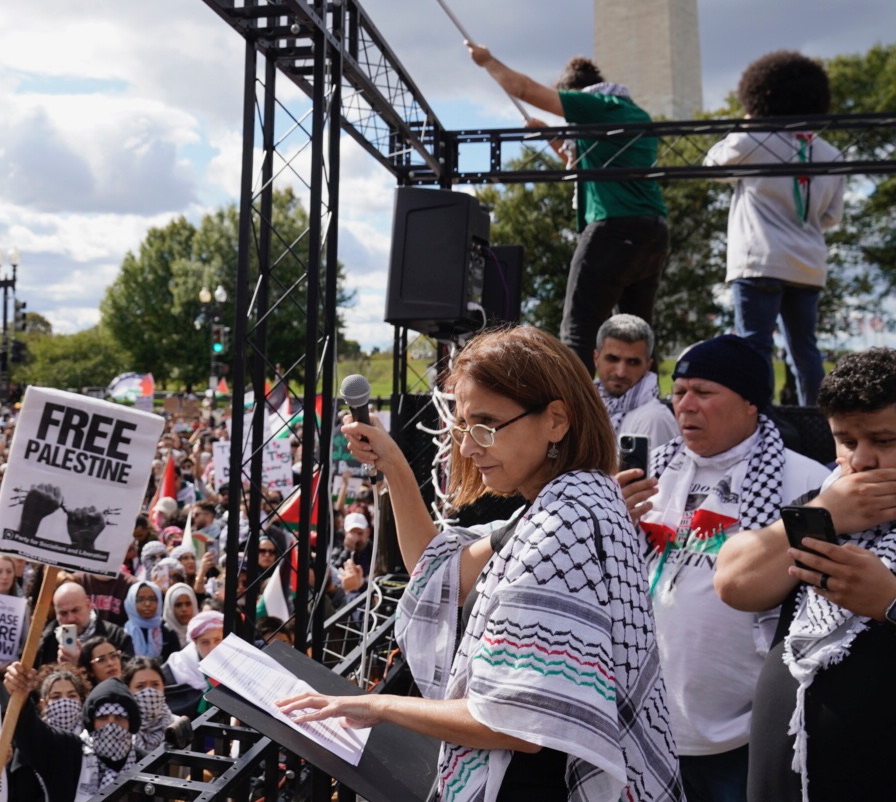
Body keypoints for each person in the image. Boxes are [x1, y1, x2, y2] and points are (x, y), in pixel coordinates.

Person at [279, 325, 680, 802]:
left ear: (556, 420)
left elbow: (516, 721)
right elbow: (441, 571)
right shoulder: (571, 501)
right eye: (464, 427)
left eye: (486, 426)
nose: (468, 448)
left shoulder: (561, 527)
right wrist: (392, 462)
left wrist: (376, 705)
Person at [624, 333, 826, 799]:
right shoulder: (649, 476)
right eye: (679, 392)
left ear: (751, 401)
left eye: (705, 392)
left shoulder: (808, 482)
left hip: (746, 736)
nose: (686, 405)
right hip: (643, 724)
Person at [714, 348, 896, 800]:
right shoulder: (825, 504)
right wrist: (825, 512)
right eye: (847, 442)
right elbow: (734, 581)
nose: (862, 460)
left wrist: (888, 602)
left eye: (885, 440)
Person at [467, 45, 668, 368]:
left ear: (576, 96)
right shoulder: (632, 115)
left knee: (578, 330)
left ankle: (572, 412)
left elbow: (525, 90)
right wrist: (550, 137)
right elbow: (581, 164)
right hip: (653, 232)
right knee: (636, 334)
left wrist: (487, 62)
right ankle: (647, 410)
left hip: (613, 227)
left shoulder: (597, 106)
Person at [704, 51, 846, 406]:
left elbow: (711, 164)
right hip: (808, 264)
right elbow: (832, 217)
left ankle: (761, 421)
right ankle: (821, 423)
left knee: (754, 346)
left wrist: (748, 123)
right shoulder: (831, 154)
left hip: (759, 259)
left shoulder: (753, 141)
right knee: (805, 351)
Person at [3, 666, 142, 801]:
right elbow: (30, 733)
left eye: (119, 718)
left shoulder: (146, 762)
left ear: (131, 723)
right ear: (91, 722)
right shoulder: (68, 751)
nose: (111, 726)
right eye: (103, 717)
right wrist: (21, 694)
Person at [594, 314, 679, 448]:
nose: (621, 372)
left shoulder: (653, 418)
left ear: (648, 366)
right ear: (596, 358)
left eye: (633, 362)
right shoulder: (585, 407)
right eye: (612, 359)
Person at [36, 581, 133, 666]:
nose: (70, 619)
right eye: (63, 613)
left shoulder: (116, 636)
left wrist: (79, 664)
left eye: (75, 610)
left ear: (88, 605)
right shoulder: (47, 640)